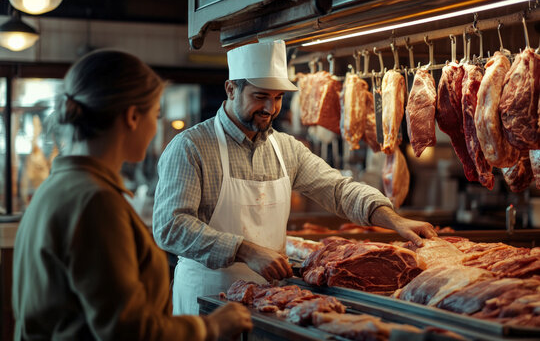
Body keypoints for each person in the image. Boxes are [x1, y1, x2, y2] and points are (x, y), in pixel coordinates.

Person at [152, 40, 438, 315]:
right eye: (260, 96)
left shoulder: (285, 148)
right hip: (207, 298)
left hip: (266, 299)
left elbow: (338, 190)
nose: (270, 109)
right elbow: (170, 226)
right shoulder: (191, 147)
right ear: (230, 89)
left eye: (277, 98)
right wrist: (245, 250)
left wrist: (395, 220)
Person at [12, 49, 252, 341]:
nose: (155, 128)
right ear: (132, 117)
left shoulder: (57, 185)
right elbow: (130, 331)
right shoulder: (95, 202)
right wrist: (211, 326)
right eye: (156, 115)